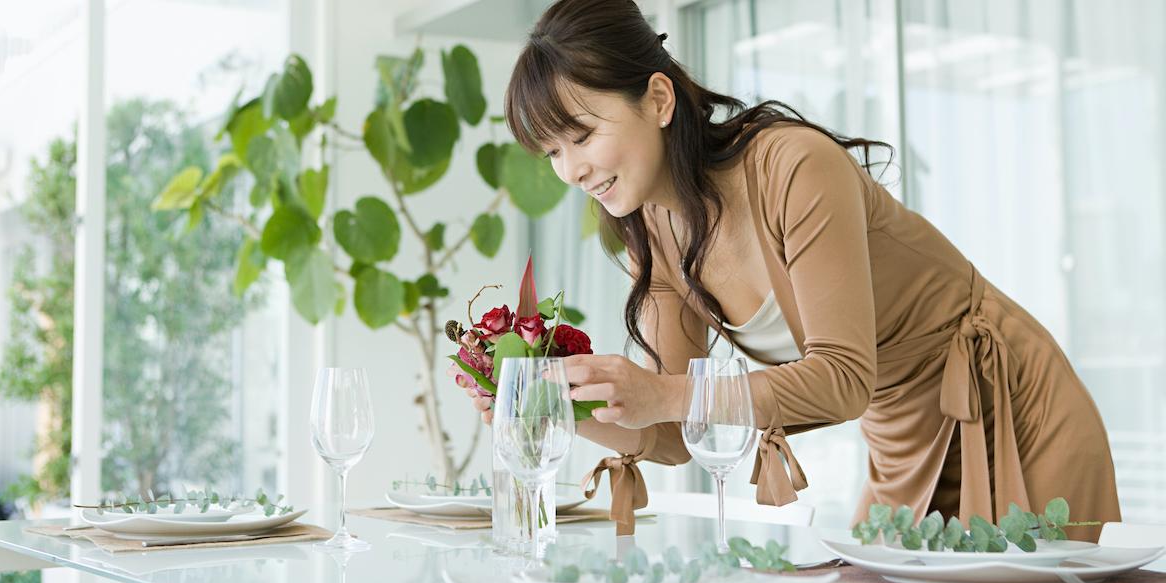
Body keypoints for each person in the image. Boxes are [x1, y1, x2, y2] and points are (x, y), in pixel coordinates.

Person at [460, 0, 1120, 540]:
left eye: (581, 135)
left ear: (658, 99)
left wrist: (664, 392)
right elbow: (670, 438)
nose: (570, 170)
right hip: (899, 440)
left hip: (1014, 407)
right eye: (551, 151)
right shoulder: (654, 235)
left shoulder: (792, 167)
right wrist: (549, 408)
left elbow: (842, 378)